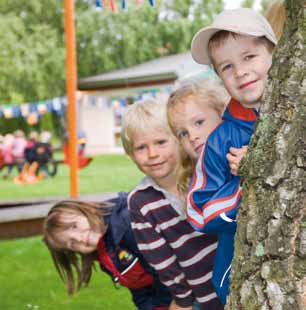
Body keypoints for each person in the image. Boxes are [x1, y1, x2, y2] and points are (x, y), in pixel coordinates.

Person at [179, 8, 277, 305]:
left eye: (249, 57)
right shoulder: (222, 140)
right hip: (244, 267)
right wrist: (246, 186)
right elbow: (197, 210)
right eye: (226, 66)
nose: (240, 71)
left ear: (277, 54)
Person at [121, 99, 224, 310]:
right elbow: (162, 261)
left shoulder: (204, 173)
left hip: (242, 277)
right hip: (205, 299)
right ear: (131, 155)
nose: (152, 154)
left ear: (178, 140)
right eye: (141, 147)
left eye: (160, 142)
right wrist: (184, 301)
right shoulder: (140, 202)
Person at [43, 192, 171, 310]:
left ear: (85, 210)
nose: (79, 238)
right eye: (72, 244)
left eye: (74, 226)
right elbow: (139, 289)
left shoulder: (127, 226)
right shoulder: (105, 252)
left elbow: (166, 271)